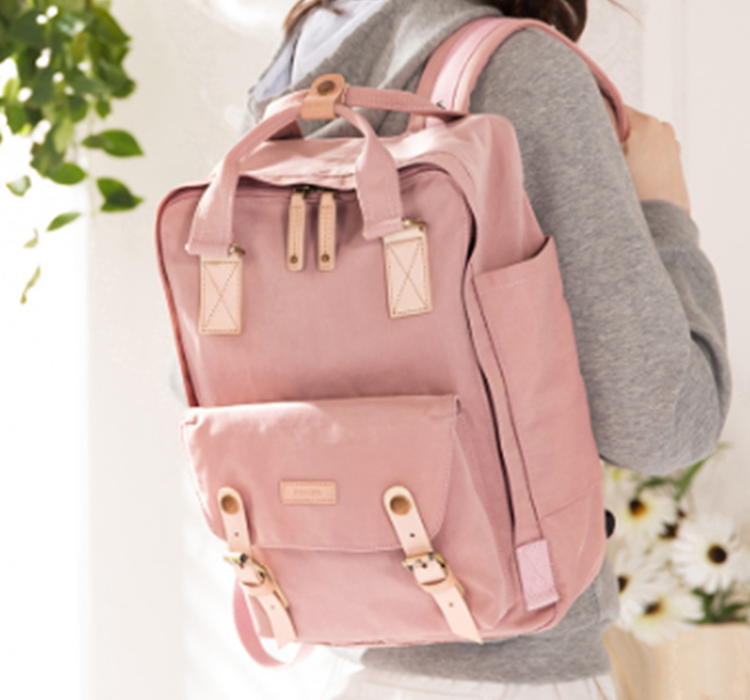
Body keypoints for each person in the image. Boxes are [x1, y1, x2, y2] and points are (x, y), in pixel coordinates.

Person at [243, 0, 732, 697]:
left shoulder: (296, 74)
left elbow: (210, 376)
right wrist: (664, 212)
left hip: (341, 654)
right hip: (513, 667)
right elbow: (663, 422)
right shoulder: (521, 71)